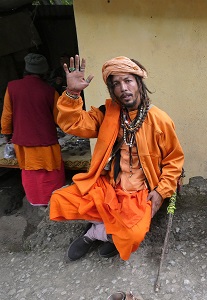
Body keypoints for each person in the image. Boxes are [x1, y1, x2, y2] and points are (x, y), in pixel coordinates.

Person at [49, 55, 184, 262]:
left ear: (139, 83)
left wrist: (160, 192)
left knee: (134, 234)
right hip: (110, 184)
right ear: (112, 90)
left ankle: (96, 232)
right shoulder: (107, 113)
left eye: (128, 80)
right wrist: (73, 93)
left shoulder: (160, 120)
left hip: (140, 191)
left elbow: (174, 162)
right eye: (116, 84)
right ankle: (109, 231)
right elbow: (73, 124)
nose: (123, 88)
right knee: (61, 200)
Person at [1, 53, 65, 207]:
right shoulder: (50, 92)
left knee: (30, 171)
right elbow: (60, 120)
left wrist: (6, 134)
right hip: (46, 143)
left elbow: (7, 114)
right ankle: (53, 203)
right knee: (50, 172)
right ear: (44, 72)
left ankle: (35, 201)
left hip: (22, 142)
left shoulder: (12, 87)